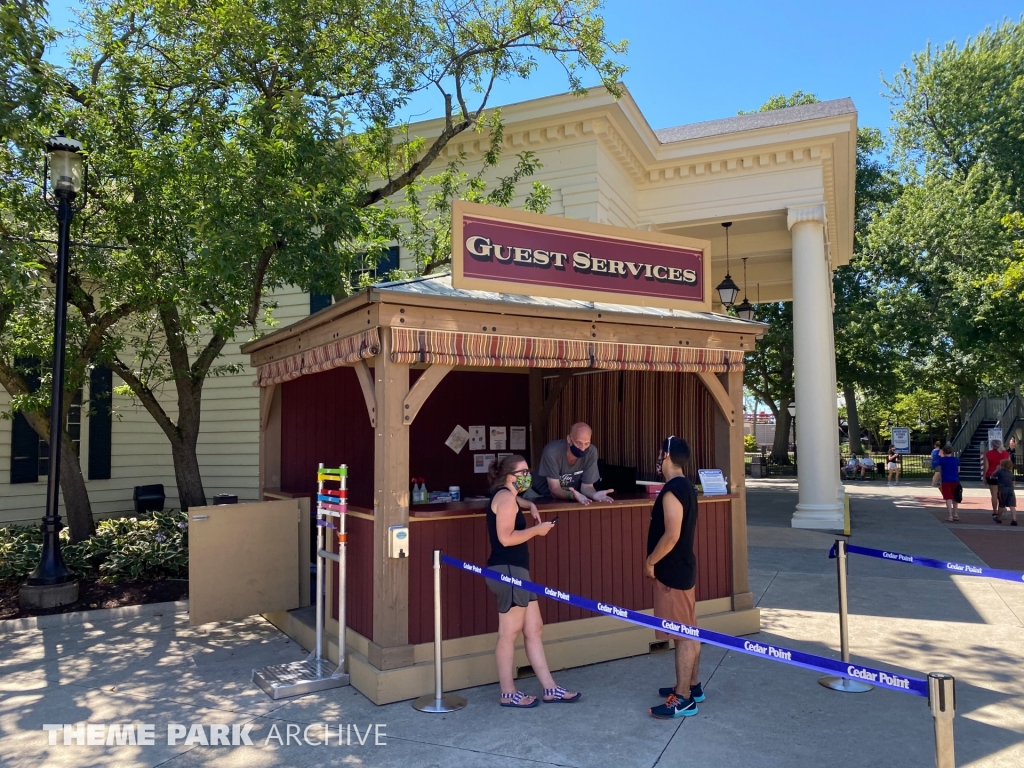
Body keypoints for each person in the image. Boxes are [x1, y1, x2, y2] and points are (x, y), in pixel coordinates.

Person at [485, 454, 581, 708]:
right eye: (523, 472)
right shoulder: (505, 498)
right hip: (508, 571)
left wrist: (530, 505)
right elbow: (506, 538)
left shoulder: (507, 495)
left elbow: (515, 500)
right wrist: (536, 531)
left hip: (518, 571)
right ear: (509, 476)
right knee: (509, 633)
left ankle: (550, 688)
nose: (528, 476)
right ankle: (508, 693)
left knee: (534, 628)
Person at [646, 436, 703, 720]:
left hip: (672, 573)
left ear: (666, 455)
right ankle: (693, 686)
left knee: (683, 635)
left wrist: (651, 561)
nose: (658, 459)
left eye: (660, 453)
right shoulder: (687, 486)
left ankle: (682, 699)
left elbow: (671, 535)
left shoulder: (672, 491)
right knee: (689, 630)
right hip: (683, 569)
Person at [527, 422, 614, 504]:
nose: (582, 448)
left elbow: (587, 487)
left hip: (572, 497)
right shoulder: (552, 451)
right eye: (578, 443)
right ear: (569, 439)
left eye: (587, 443)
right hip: (538, 495)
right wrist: (572, 495)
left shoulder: (591, 452)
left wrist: (594, 495)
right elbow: (555, 489)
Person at [934, 444, 961, 523]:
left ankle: (950, 516)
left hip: (946, 480)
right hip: (955, 480)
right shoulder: (956, 459)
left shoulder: (942, 460)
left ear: (944, 452)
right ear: (952, 451)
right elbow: (958, 470)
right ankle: (956, 514)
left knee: (948, 497)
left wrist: (937, 480)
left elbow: (939, 470)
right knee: (955, 497)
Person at [984, 439, 1011, 514]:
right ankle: (1002, 509)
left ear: (992, 445)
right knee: (1002, 494)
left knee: (994, 494)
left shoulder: (988, 453)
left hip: (991, 475)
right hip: (1003, 475)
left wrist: (984, 477)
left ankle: (995, 511)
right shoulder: (1006, 453)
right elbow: (1009, 465)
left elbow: (986, 467)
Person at [988, 457, 1017, 525]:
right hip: (1010, 490)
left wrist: (997, 469)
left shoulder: (1000, 471)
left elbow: (992, 476)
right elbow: (1013, 483)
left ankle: (999, 518)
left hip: (1002, 489)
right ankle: (1014, 519)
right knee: (1012, 506)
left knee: (1001, 505)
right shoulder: (1011, 473)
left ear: (1003, 465)